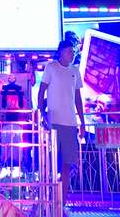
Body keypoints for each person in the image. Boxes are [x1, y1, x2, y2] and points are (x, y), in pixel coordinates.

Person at [38, 40, 86, 208]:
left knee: (68, 164)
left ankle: (62, 202)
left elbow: (78, 98)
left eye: (73, 52)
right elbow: (41, 90)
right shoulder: (51, 67)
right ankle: (46, 199)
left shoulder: (75, 70)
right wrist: (41, 113)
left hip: (71, 123)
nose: (72, 55)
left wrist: (82, 122)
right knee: (50, 163)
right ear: (61, 52)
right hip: (53, 123)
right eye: (69, 52)